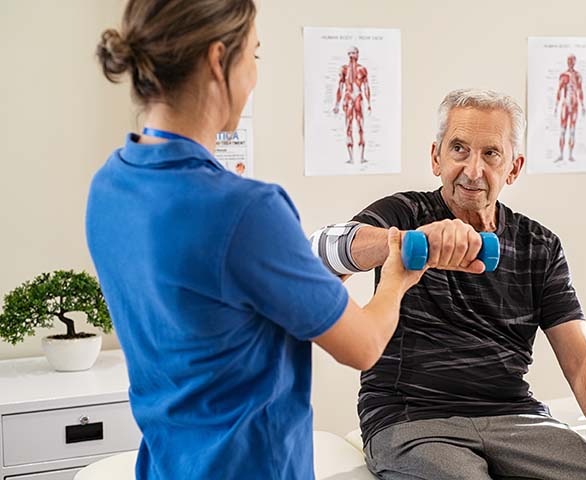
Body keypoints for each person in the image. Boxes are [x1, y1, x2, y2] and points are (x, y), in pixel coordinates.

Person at [86, 1, 424, 478]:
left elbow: (218, 301)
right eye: (254, 55)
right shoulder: (245, 209)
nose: (254, 76)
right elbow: (364, 345)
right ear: (217, 59)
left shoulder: (109, 186)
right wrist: (396, 278)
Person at [311, 89, 586, 480]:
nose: (473, 170)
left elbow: (582, 359)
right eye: (459, 149)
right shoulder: (404, 214)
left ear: (513, 168)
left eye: (491, 154)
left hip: (514, 416)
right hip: (413, 417)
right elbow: (319, 252)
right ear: (436, 157)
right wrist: (409, 242)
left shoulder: (539, 246)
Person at [332, 46, 371, 164]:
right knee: (348, 126)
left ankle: (362, 157)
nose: (351, 56)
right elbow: (340, 87)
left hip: (358, 98)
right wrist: (337, 104)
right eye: (349, 53)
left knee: (360, 126)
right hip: (348, 98)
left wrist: (369, 103)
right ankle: (351, 158)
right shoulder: (344, 69)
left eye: (353, 53)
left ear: (357, 54)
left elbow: (366, 87)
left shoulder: (362, 69)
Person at [554, 54, 586, 163]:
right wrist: (556, 105)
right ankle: (561, 154)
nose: (570, 63)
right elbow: (559, 90)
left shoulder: (578, 76)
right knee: (563, 130)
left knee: (572, 131)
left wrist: (582, 105)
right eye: (569, 61)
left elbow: (580, 90)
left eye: (572, 61)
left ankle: (570, 155)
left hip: (575, 104)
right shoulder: (564, 75)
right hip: (566, 105)